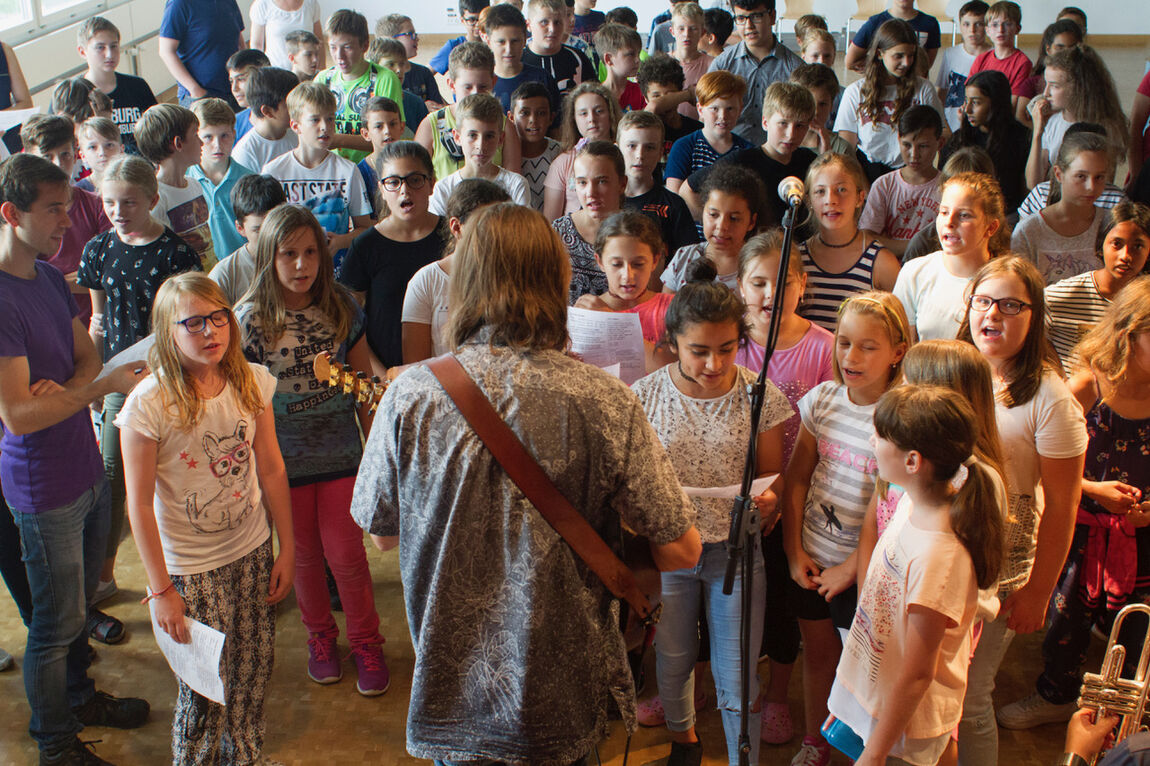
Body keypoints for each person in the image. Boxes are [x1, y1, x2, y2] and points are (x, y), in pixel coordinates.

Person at [349, 201, 702, 764]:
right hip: (562, 697)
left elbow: (384, 536)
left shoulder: (408, 396)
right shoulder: (601, 398)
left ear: (463, 283)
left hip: (452, 696)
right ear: (556, 279)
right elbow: (683, 550)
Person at [0, 153, 151, 765]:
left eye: (68, 205)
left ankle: (80, 697)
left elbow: (87, 351)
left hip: (82, 464)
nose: (70, 220)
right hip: (44, 484)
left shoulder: (43, 277)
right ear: (11, 214)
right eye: (54, 209)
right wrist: (88, 391)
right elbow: (18, 414)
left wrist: (70, 391)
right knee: (54, 624)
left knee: (78, 607)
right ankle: (55, 746)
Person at [117, 272, 293, 765]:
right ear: (167, 333)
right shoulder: (148, 405)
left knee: (252, 672)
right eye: (193, 323)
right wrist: (160, 591)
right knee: (204, 689)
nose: (211, 331)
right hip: (190, 571)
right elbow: (138, 505)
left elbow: (273, 467)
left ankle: (245, 755)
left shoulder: (250, 379)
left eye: (219, 318)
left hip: (253, 549)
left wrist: (289, 548)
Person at [633, 258, 790, 766]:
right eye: (699, 351)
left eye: (727, 350)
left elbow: (772, 475)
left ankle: (744, 757)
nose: (714, 365)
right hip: (672, 548)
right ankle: (685, 743)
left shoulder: (758, 393)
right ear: (672, 342)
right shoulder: (645, 397)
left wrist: (771, 498)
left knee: (738, 667)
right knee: (673, 656)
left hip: (736, 552)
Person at [234, 204, 387, 695]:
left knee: (347, 556)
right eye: (287, 255)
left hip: (342, 453)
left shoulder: (342, 306)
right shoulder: (249, 321)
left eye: (310, 254)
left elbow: (362, 383)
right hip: (283, 464)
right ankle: (320, 638)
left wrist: (373, 453)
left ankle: (366, 642)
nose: (301, 266)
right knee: (301, 558)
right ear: (267, 256)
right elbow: (240, 403)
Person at [998, 276, 1150, 732]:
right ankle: (1057, 695)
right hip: (1081, 528)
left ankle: (1126, 713)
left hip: (1141, 534)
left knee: (1137, 630)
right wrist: (1095, 490)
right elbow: (1048, 468)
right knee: (1068, 622)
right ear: (1127, 333)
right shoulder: (1089, 385)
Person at [955, 256, 1088, 765]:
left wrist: (1037, 592)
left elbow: (1062, 507)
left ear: (1034, 318)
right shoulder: (955, 369)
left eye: (1012, 305)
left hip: (1001, 569)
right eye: (985, 301)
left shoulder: (1051, 399)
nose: (994, 314)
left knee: (970, 697)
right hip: (940, 553)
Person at [827, 385, 1005, 766]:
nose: (871, 440)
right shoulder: (909, 502)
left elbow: (917, 675)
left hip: (904, 733)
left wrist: (874, 754)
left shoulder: (940, 557)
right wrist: (850, 700)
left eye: (880, 435)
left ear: (912, 461)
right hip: (874, 705)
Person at [78, 153, 202, 642]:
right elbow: (98, 321)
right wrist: (94, 382)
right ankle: (104, 575)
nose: (117, 211)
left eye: (128, 202)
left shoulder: (176, 253)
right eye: (109, 202)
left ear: (153, 200)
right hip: (119, 382)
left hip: (170, 376)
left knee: (178, 472)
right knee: (115, 479)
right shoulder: (98, 249)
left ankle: (189, 568)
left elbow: (188, 319)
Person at [782, 290, 910, 766]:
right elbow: (797, 480)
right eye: (843, 342)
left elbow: (897, 511)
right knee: (816, 656)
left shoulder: (900, 416)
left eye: (868, 346)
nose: (851, 356)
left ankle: (855, 752)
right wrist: (794, 551)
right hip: (813, 556)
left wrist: (853, 569)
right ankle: (817, 741)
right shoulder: (823, 400)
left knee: (861, 670)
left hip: (868, 572)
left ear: (898, 352)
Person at [736, 229, 834, 746]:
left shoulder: (823, 348)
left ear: (801, 285)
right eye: (758, 283)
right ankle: (741, 683)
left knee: (781, 603)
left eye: (782, 282)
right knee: (739, 600)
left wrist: (783, 496)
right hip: (734, 495)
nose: (770, 294)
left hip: (797, 499)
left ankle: (778, 693)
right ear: (741, 285)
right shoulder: (729, 342)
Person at [339, 141, 447, 368]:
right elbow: (349, 324)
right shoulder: (365, 246)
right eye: (394, 182)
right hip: (386, 376)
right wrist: (382, 378)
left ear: (431, 183)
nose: (404, 190)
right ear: (381, 188)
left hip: (446, 372)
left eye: (415, 180)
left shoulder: (452, 236)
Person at [260, 81, 374, 273]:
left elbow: (364, 228)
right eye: (315, 120)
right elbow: (264, 232)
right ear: (295, 125)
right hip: (289, 271)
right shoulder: (273, 171)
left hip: (333, 271)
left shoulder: (348, 170)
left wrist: (340, 242)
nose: (325, 127)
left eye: (330, 119)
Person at [681, 81, 818, 231]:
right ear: (765, 122)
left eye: (799, 126)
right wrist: (721, 225)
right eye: (783, 123)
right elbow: (687, 191)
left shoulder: (809, 161)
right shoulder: (742, 160)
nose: (790, 134)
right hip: (752, 250)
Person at [402, 179, 510, 363]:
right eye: (485, 225)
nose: (496, 234)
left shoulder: (514, 276)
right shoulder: (426, 280)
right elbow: (415, 366)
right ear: (456, 227)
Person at [893, 171, 1009, 342]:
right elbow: (902, 348)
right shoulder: (914, 272)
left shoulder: (1007, 282)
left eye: (964, 215)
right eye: (944, 212)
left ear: (991, 227)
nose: (949, 222)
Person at [797, 152, 901, 332]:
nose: (831, 200)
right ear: (809, 201)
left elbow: (899, 330)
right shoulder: (797, 259)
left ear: (860, 198)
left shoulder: (881, 262)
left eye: (841, 190)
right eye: (820, 191)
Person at [834, 18, 945, 181]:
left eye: (910, 55)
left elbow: (939, 133)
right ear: (880, 53)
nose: (906, 63)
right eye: (898, 56)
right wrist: (865, 189)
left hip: (911, 173)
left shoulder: (924, 89)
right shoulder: (855, 92)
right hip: (867, 172)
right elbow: (846, 151)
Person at [1045, 203, 1150, 372]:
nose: (1126, 256)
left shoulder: (1145, 302)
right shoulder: (1060, 296)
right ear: (1101, 244)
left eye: (1138, 246)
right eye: (1117, 244)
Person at [574, 210, 675, 373]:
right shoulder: (589, 313)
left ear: (655, 260)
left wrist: (612, 322)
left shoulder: (672, 309)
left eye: (638, 264)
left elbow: (669, 367)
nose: (628, 275)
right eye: (616, 264)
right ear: (600, 261)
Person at [1012, 130, 1110, 285]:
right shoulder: (1029, 231)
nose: (1091, 187)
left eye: (1099, 177)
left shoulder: (1111, 224)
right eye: (1081, 176)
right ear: (1059, 174)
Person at [1025, 45, 1127, 191]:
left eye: (1054, 86)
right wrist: (1037, 133)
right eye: (1046, 84)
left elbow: (1100, 187)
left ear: (1078, 88)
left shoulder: (1106, 127)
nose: (1046, 92)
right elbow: (1033, 183)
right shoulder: (1053, 121)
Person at [415, 41, 522, 182]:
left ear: (494, 82)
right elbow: (418, 179)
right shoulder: (431, 125)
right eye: (467, 87)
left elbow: (512, 181)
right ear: (452, 85)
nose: (475, 94)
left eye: (483, 87)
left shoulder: (505, 126)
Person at [313, 10, 405, 165]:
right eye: (333, 47)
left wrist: (339, 140)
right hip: (331, 166)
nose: (339, 56)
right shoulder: (323, 79)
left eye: (347, 47)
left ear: (365, 45)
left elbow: (389, 138)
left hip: (373, 166)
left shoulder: (385, 79)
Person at [136, 103, 216, 270]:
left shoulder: (194, 185)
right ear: (178, 143)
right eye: (195, 135)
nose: (201, 143)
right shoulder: (157, 198)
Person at [939, 70, 1030, 216]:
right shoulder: (959, 139)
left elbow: (1025, 190)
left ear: (996, 103)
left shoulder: (1021, 138)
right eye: (966, 101)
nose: (967, 109)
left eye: (976, 102)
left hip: (1007, 216)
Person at [858, 105, 944, 258]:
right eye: (906, 145)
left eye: (923, 146)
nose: (914, 154)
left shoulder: (948, 187)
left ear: (940, 143)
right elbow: (867, 237)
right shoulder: (884, 185)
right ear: (898, 139)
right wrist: (916, 246)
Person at [664, 164, 764, 294]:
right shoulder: (684, 257)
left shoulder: (759, 265)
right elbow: (664, 310)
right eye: (713, 215)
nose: (722, 226)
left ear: (751, 221)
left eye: (734, 218)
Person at [427, 93, 530, 215]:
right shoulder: (443, 189)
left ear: (501, 139)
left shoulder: (515, 185)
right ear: (457, 137)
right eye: (472, 135)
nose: (481, 145)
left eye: (489, 136)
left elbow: (522, 231)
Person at [617, 110, 699, 257]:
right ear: (617, 149)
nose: (640, 155)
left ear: (661, 152)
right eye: (631, 146)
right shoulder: (603, 200)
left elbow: (688, 264)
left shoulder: (674, 206)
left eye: (649, 147)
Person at [553, 140, 626, 304]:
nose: (591, 193)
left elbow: (648, 302)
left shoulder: (638, 234)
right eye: (582, 182)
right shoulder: (557, 233)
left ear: (622, 184)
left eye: (602, 181)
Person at [76, 17, 157, 157]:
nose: (109, 54)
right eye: (100, 47)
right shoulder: (74, 93)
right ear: (83, 52)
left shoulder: (137, 86)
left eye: (114, 46)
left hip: (139, 167)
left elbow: (157, 130)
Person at [664, 70, 752, 195]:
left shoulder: (747, 151)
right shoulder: (684, 147)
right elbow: (674, 199)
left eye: (730, 109)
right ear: (700, 109)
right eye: (714, 109)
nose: (723, 116)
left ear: (740, 110)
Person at [543, 81, 620, 221]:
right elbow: (550, 223)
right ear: (574, 119)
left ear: (610, 113)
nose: (592, 119)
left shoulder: (624, 155)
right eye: (583, 113)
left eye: (599, 111)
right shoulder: (563, 163)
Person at [188, 98, 253, 260]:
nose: (217, 145)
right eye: (208, 137)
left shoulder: (250, 181)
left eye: (224, 136)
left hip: (242, 267)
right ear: (195, 137)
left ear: (234, 135)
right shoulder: (185, 179)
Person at [209, 174, 287, 306]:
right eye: (258, 230)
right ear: (240, 228)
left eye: (276, 226)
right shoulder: (225, 275)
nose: (269, 236)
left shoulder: (301, 261)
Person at [158, 0, 245, 106]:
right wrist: (195, 90)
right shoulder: (179, 3)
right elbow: (166, 51)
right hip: (202, 96)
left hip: (234, 90)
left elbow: (239, 41)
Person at [483, 4, 560, 115]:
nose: (509, 49)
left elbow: (555, 129)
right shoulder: (481, 83)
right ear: (488, 41)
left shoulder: (542, 78)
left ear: (524, 40)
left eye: (514, 41)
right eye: (501, 42)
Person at [231, 67, 300, 176]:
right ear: (267, 111)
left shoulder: (298, 135)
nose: (298, 108)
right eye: (290, 104)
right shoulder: (246, 154)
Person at [935, 1, 991, 133]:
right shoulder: (950, 54)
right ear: (960, 26)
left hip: (982, 127)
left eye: (978, 24)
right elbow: (941, 92)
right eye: (966, 24)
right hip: (952, 125)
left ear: (987, 27)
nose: (972, 30)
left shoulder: (994, 56)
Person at [1015, 19, 1082, 127]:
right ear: (1048, 49)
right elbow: (1020, 117)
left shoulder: (1086, 84)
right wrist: (1042, 131)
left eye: (1071, 48)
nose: (1066, 53)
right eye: (1060, 47)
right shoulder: (1032, 83)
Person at [522, 0, 596, 98]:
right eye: (544, 22)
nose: (552, 29)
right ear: (528, 25)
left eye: (557, 22)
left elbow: (594, 98)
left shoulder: (578, 58)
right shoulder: (519, 60)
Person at [845, 0, 942, 73]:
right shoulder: (875, 23)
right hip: (882, 86)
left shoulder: (930, 24)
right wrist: (881, 66)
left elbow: (927, 65)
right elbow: (850, 62)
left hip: (914, 86)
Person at [966, 1, 1031, 108]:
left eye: (1007, 24)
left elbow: (1012, 103)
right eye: (995, 25)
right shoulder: (981, 59)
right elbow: (969, 93)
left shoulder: (1022, 63)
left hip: (1001, 120)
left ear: (1017, 29)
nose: (1000, 30)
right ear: (987, 30)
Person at [510, 82, 562, 211]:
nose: (533, 120)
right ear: (511, 118)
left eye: (541, 113)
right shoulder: (505, 155)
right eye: (524, 113)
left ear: (551, 118)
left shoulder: (560, 153)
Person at [375, 14, 444, 108]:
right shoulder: (378, 75)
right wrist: (421, 107)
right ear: (391, 40)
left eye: (415, 34)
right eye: (409, 34)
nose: (416, 38)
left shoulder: (424, 73)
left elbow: (438, 109)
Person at [249, 0, 324, 70]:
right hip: (276, 72)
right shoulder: (262, 4)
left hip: (307, 71)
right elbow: (257, 45)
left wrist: (321, 69)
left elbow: (319, 40)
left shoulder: (311, 3)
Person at [429, 0, 491, 75]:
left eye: (481, 19)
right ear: (462, 20)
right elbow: (426, 74)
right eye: (472, 20)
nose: (477, 25)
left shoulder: (496, 44)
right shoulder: (453, 46)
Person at [77, 117, 123, 197]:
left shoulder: (135, 185)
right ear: (83, 156)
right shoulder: (77, 193)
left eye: (109, 145)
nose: (102, 153)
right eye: (92, 147)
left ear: (121, 150)